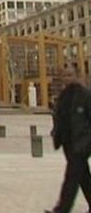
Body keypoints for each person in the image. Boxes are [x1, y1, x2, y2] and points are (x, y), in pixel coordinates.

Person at [46, 74, 91, 213]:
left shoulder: (85, 95)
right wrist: (56, 132)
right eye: (65, 75)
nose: (67, 77)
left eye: (70, 75)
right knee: (83, 176)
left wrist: (87, 139)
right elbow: (59, 116)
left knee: (71, 177)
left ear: (77, 76)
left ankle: (62, 209)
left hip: (81, 143)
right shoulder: (64, 96)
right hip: (68, 143)